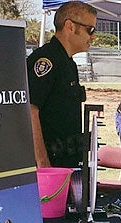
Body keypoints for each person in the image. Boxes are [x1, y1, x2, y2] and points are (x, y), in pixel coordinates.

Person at [27, 1, 97, 168]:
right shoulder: (47, 60)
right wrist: (42, 162)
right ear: (70, 26)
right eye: (90, 30)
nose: (93, 37)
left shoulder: (68, 63)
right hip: (50, 164)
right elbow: (29, 108)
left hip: (66, 160)